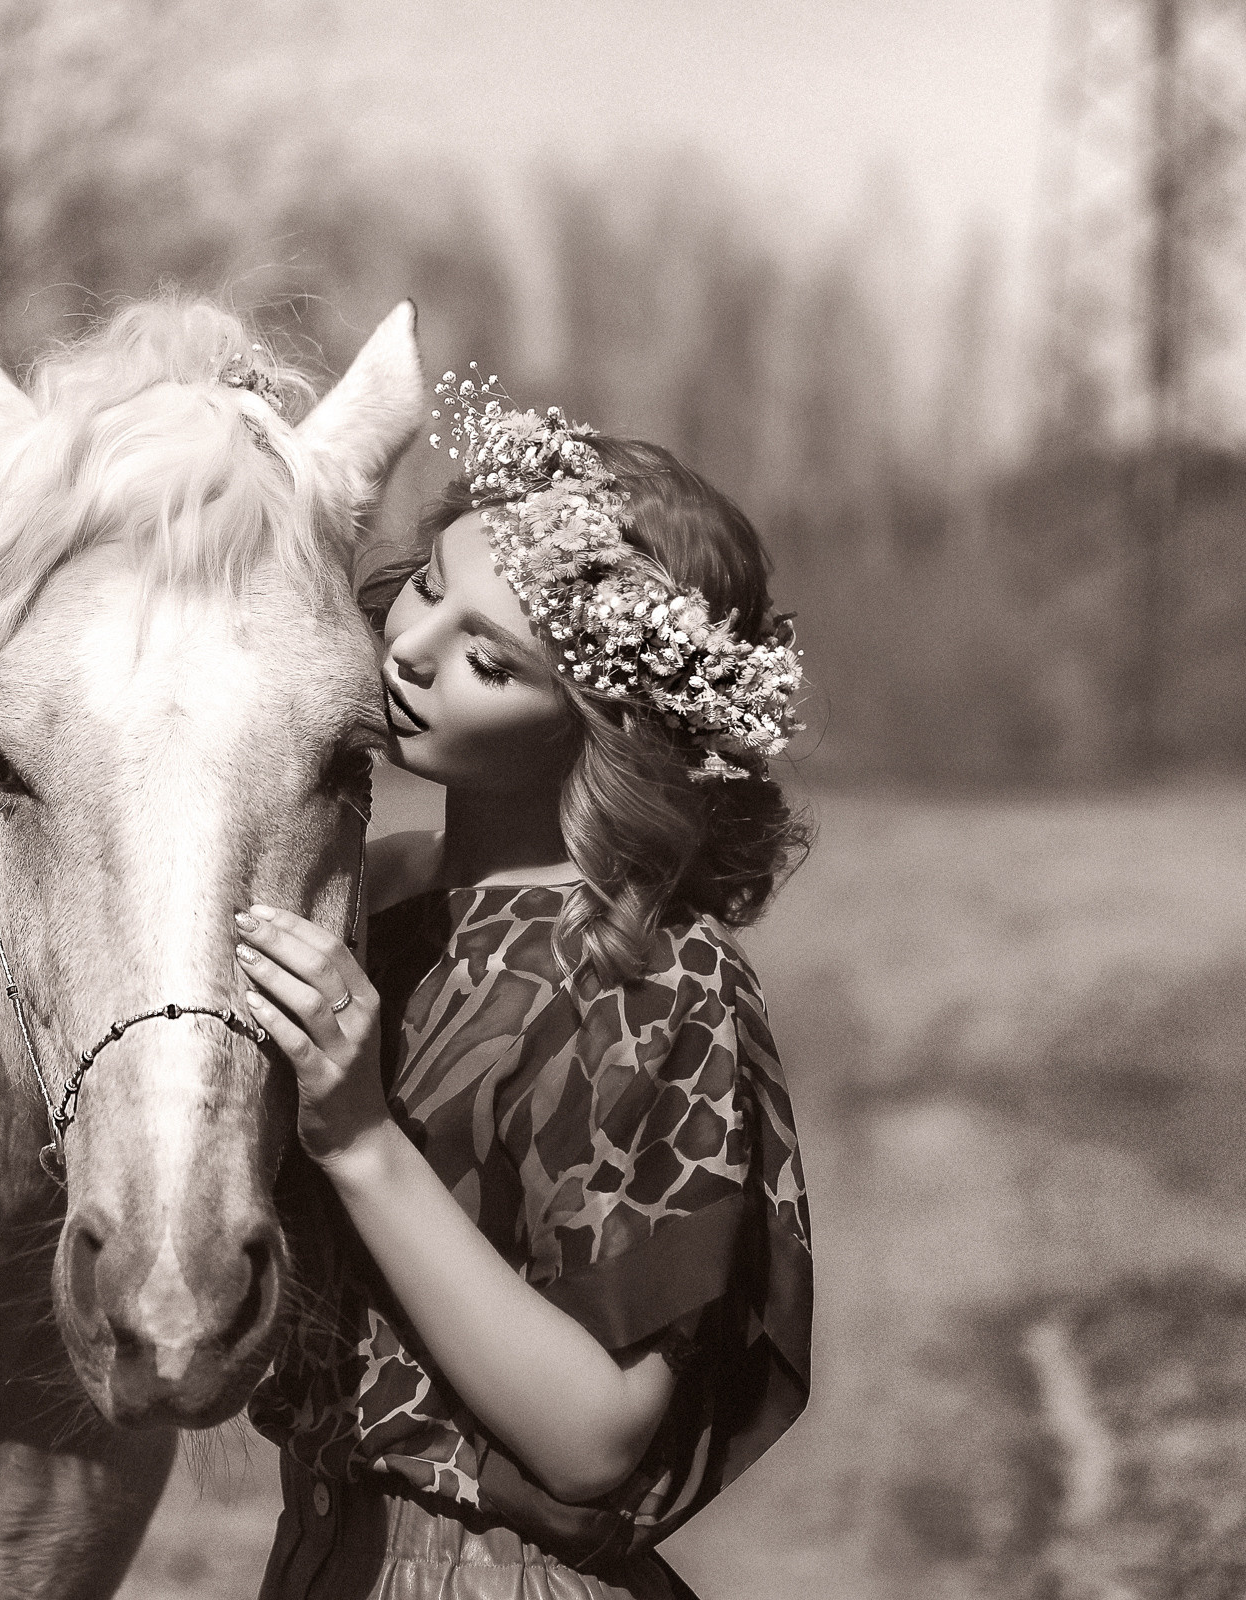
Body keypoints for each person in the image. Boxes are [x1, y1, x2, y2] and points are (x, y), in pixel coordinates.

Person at [235, 375, 815, 1600]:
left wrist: (361, 1138)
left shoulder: (658, 981)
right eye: (432, 589)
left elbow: (597, 1436)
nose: (411, 651)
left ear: (603, 728)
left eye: (488, 660)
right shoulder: (366, 898)